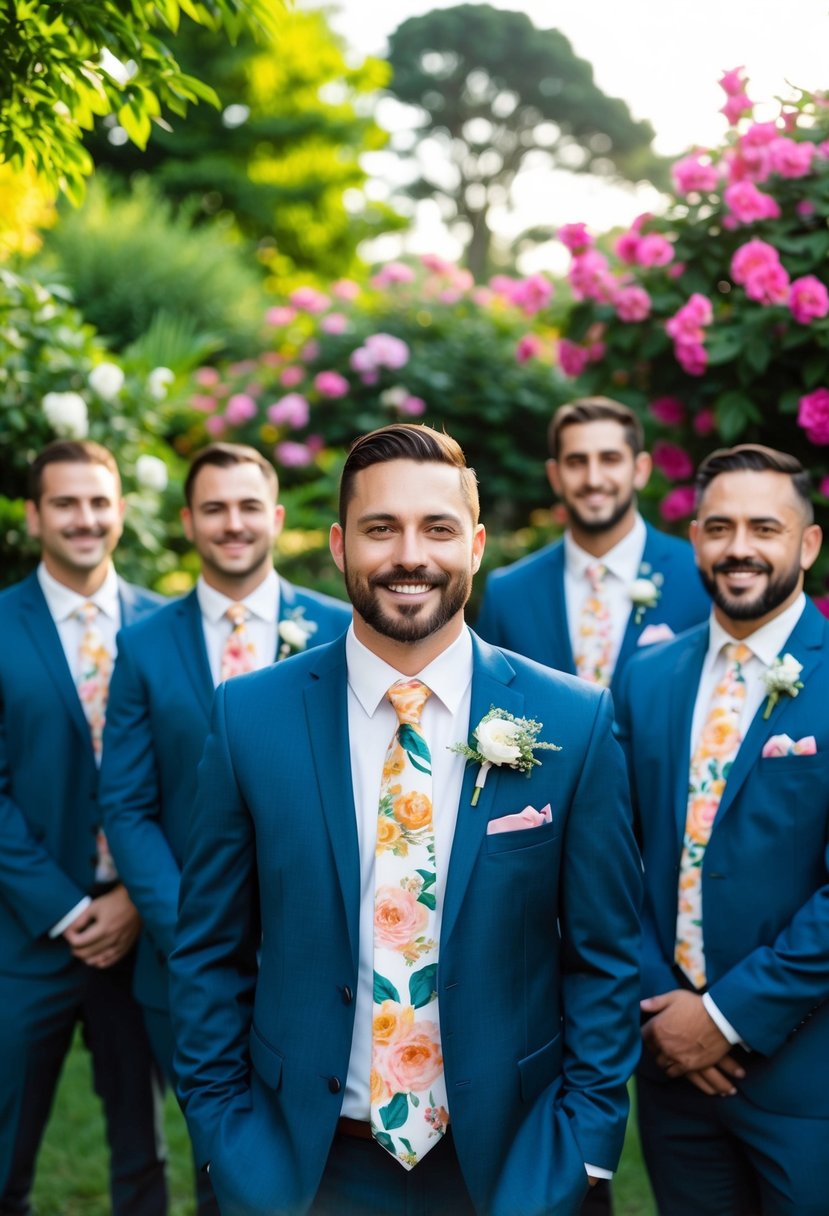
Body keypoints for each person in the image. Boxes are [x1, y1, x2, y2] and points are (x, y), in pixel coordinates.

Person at [168, 423, 642, 1216]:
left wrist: (582, 1150)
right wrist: (228, 1140)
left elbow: (605, 958)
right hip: (307, 1169)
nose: (409, 555)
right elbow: (209, 952)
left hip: (515, 1168)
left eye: (438, 529)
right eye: (381, 528)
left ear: (476, 546)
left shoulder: (573, 720)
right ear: (339, 545)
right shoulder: (248, 717)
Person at [99, 442, 351, 1215]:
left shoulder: (338, 626)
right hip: (188, 963)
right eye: (214, 508)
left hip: (323, 960)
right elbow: (128, 804)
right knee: (222, 1165)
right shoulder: (144, 643)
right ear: (188, 522)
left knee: (329, 1164)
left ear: (274, 516)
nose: (232, 523)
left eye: (247, 507)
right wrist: (197, 932)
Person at [615, 444, 829, 1216]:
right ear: (695, 539)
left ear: (807, 543)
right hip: (671, 1070)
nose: (739, 547)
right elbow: (609, 858)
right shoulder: (645, 677)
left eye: (764, 528)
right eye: (719, 527)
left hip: (805, 1076)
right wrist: (663, 1007)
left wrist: (725, 1017)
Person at [0, 440, 167, 1214]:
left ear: (121, 511)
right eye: (65, 503)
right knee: (6, 1155)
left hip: (140, 933)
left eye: (99, 501)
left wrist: (135, 897)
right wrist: (67, 910)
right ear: (34, 516)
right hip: (27, 933)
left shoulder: (166, 627)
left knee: (145, 1151)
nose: (85, 518)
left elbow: (188, 786)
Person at [476, 397, 710, 690]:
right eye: (577, 462)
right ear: (555, 476)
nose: (593, 479)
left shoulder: (699, 575)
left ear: (640, 470)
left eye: (610, 459)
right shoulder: (508, 593)